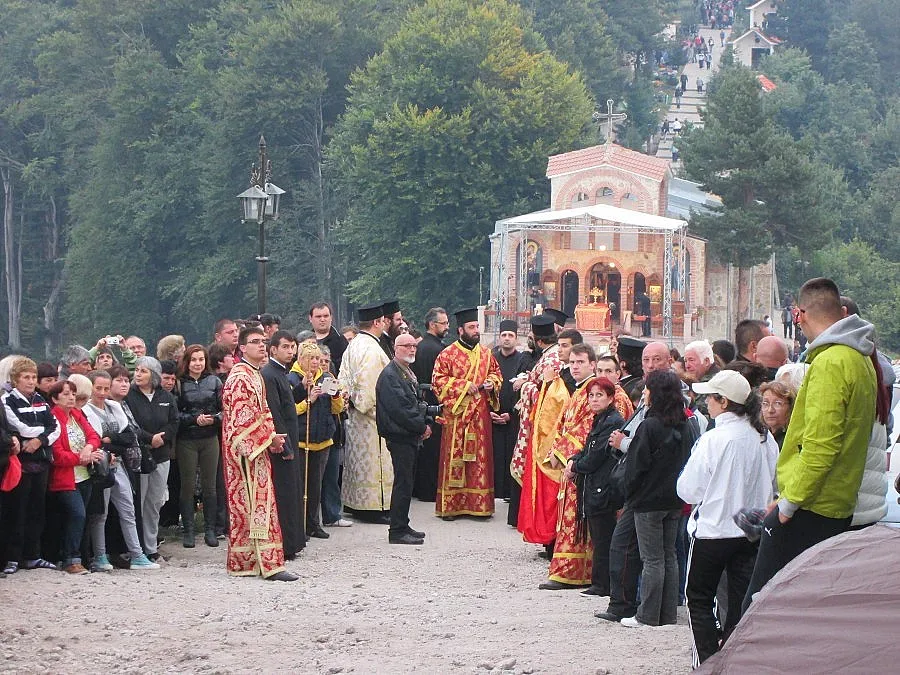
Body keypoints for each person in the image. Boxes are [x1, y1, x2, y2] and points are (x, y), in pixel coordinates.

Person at [742, 278, 877, 611]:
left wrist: (788, 504)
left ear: (799, 315)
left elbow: (820, 445)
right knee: (805, 608)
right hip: (837, 501)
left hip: (811, 505)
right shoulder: (861, 359)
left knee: (762, 607)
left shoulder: (831, 363)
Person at [678, 371, 778, 665]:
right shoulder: (763, 437)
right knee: (739, 601)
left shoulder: (715, 438)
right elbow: (774, 481)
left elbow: (688, 490)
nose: (706, 401)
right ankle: (735, 659)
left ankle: (708, 662)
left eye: (710, 396)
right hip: (749, 531)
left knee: (698, 597)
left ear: (723, 401)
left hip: (713, 530)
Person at [596, 341, 672, 623]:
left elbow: (649, 446)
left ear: (668, 361)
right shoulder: (647, 395)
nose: (650, 366)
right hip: (654, 489)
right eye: (646, 360)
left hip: (648, 489)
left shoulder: (666, 405)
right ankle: (662, 611)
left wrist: (624, 442)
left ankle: (633, 608)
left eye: (656, 360)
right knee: (661, 555)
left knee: (635, 548)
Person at [221, 326, 296, 581]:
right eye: (255, 342)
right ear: (242, 348)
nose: (261, 346)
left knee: (259, 506)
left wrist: (272, 437)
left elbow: (263, 412)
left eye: (263, 341)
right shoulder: (239, 377)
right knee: (253, 506)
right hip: (246, 454)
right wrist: (268, 438)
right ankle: (266, 564)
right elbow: (241, 420)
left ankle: (253, 562)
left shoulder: (254, 374)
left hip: (258, 448)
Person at [619, 370, 692, 628]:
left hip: (648, 501)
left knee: (652, 559)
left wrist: (631, 493)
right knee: (669, 556)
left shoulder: (649, 426)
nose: (645, 393)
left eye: (648, 389)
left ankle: (648, 615)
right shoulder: (686, 423)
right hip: (674, 499)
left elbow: (636, 466)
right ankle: (667, 614)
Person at [84, 368, 159, 570]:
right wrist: (110, 443)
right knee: (101, 513)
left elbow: (129, 437)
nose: (101, 392)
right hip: (100, 466)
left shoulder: (114, 408)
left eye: (105, 388)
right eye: (97, 388)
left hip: (118, 465)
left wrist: (111, 441)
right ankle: (100, 555)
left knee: (128, 508)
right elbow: (95, 440)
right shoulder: (86, 411)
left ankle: (137, 554)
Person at [431, 308, 502, 519]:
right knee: (456, 459)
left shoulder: (487, 354)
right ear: (460, 330)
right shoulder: (447, 354)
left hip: (480, 417)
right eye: (471, 327)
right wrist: (463, 385)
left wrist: (492, 384)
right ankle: (451, 507)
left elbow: (496, 374)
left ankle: (480, 506)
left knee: (479, 461)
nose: (476, 331)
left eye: (477, 327)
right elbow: (438, 382)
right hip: (457, 418)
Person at [539, 344, 600, 589]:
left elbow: (588, 427)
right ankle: (567, 570)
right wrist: (555, 449)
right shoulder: (578, 390)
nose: (575, 367)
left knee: (577, 523)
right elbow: (564, 424)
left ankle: (573, 573)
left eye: (580, 362)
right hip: (570, 466)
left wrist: (562, 453)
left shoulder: (594, 391)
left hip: (580, 465)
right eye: (572, 362)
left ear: (592, 365)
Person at [568, 376, 627, 596]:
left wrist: (575, 467)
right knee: (599, 536)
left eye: (599, 395)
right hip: (596, 485)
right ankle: (600, 582)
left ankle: (603, 584)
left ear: (610, 397)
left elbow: (596, 456)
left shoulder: (612, 421)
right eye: (591, 395)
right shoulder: (600, 419)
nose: (594, 400)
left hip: (604, 486)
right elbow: (587, 449)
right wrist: (574, 460)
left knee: (604, 538)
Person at [1, 357, 61, 574]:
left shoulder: (41, 401)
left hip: (41, 461)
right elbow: (19, 427)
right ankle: (13, 558)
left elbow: (55, 428)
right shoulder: (8, 401)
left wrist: (40, 440)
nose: (30, 381)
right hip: (22, 464)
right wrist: (40, 434)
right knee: (18, 510)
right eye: (25, 377)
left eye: (33, 377)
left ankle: (32, 555)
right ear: (16, 379)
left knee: (38, 510)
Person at [513, 315, 568, 545]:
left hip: (547, 431)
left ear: (536, 338)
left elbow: (547, 397)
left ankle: (548, 535)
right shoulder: (552, 356)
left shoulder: (550, 359)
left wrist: (524, 386)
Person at [338, 303, 392, 522]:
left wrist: (349, 403)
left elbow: (343, 377)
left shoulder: (353, 345)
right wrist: (370, 408)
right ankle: (374, 508)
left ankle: (356, 504)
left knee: (356, 462)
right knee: (374, 462)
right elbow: (369, 383)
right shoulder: (371, 349)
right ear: (377, 323)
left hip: (354, 414)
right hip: (371, 416)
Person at [376, 333, 431, 544]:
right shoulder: (391, 375)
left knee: (406, 482)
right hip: (399, 435)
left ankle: (402, 523)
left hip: (408, 434)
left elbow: (414, 403)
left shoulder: (405, 371)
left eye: (414, 346)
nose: (412, 349)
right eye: (406, 346)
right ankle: (397, 531)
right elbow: (401, 410)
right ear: (396, 348)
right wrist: (422, 426)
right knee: (403, 482)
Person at [289, 342, 344, 539]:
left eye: (317, 358)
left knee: (316, 485)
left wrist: (337, 395)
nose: (315, 362)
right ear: (301, 359)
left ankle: (313, 523)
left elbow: (337, 409)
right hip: (302, 440)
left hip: (323, 439)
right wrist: (308, 400)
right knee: (301, 486)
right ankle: (299, 525)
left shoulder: (327, 377)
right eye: (310, 358)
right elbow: (290, 410)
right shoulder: (292, 378)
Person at [47, 379, 103, 574]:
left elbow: (94, 436)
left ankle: (79, 557)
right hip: (65, 479)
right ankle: (71, 559)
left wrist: (88, 448)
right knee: (77, 515)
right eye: (65, 394)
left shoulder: (77, 415)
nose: (71, 397)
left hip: (84, 476)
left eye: (72, 393)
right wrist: (82, 458)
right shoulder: (54, 419)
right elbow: (57, 455)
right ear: (54, 399)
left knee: (82, 517)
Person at [126, 356, 178, 561]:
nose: (138, 374)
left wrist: (162, 438)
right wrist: (149, 438)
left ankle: (151, 546)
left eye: (143, 371)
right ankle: (135, 547)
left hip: (161, 455)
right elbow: (130, 424)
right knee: (138, 502)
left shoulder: (166, 396)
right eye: (137, 370)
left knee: (154, 502)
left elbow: (174, 422)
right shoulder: (129, 396)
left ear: (154, 376)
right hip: (140, 455)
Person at [261, 330, 305, 559]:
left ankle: (295, 541)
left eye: (292, 347)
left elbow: (287, 402)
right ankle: (285, 544)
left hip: (291, 438)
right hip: (282, 443)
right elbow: (275, 412)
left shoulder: (281, 373)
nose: (291, 351)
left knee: (293, 490)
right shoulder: (269, 374)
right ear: (273, 349)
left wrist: (302, 389)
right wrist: (283, 444)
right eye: (286, 347)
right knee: (285, 493)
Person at [175, 345, 222, 548]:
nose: (197, 363)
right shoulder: (179, 383)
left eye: (201, 359)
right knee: (187, 486)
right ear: (187, 361)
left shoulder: (215, 381)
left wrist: (214, 419)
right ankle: (188, 530)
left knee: (210, 485)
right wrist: (195, 419)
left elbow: (225, 409)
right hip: (187, 439)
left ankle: (210, 529)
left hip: (210, 438)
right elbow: (175, 415)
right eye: (193, 359)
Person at [410, 307, 448, 502]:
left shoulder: (422, 346)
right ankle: (429, 490)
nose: (447, 327)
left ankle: (421, 489)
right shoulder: (438, 350)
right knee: (433, 448)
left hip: (422, 403)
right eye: (444, 323)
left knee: (424, 447)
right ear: (432, 325)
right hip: (435, 403)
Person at [491, 320, 526, 503]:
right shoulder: (491, 358)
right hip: (492, 416)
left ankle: (509, 493)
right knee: (494, 453)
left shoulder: (522, 360)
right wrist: (489, 411)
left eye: (510, 335)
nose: (506, 339)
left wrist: (511, 414)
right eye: (504, 335)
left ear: (516, 338)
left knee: (512, 453)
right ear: (499, 337)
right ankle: (495, 491)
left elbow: (524, 392)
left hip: (514, 418)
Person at [310, 302, 349, 375]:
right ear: (310, 318)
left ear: (331, 317)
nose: (322, 319)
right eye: (318, 316)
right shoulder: (305, 341)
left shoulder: (340, 341)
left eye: (326, 316)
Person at [758, 381, 796, 449]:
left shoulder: (793, 441)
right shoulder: (760, 435)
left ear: (790, 407)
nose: (770, 410)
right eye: (765, 403)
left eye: (777, 403)